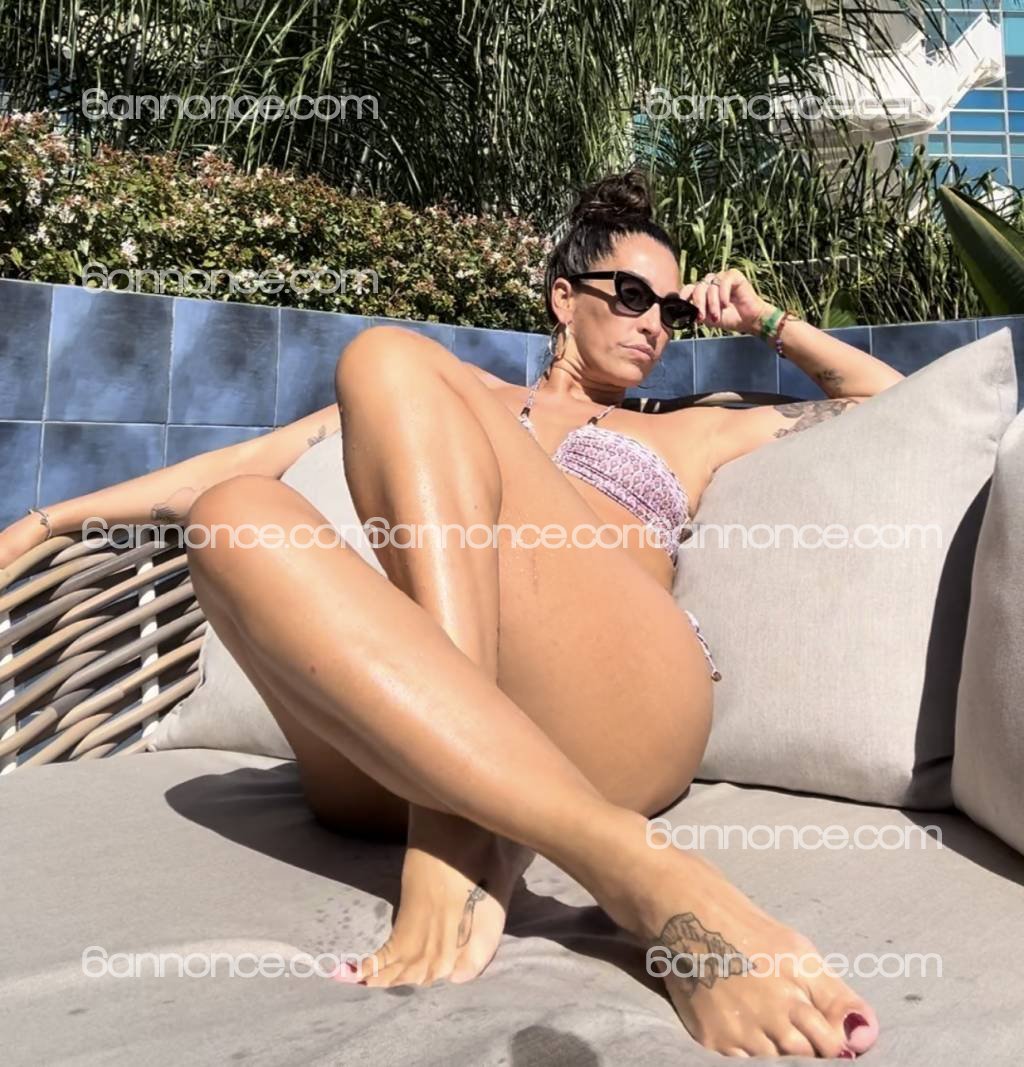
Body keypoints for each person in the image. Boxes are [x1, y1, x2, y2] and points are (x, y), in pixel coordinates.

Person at [0, 171, 904, 1058]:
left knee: (387, 355)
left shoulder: (694, 424)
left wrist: (767, 322)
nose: (654, 325)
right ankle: (575, 843)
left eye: (671, 311)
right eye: (633, 296)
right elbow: (229, 468)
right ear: (564, 297)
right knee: (232, 514)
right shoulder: (446, 394)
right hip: (402, 748)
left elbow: (890, 405)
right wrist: (44, 521)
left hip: (616, 710)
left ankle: (497, 841)